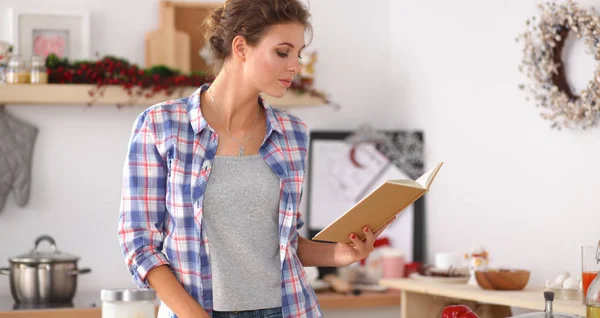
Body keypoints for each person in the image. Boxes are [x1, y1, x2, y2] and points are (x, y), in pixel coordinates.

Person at [117, 0, 395, 317]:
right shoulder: (161, 127)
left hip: (287, 309)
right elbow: (140, 244)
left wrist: (339, 255)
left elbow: (284, 242)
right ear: (241, 47)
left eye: (299, 54)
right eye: (282, 52)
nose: (295, 66)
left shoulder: (293, 133)